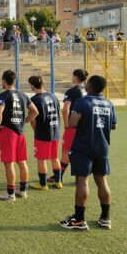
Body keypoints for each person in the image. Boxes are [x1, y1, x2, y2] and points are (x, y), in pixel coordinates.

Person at [60, 75, 116, 230]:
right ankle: (105, 218)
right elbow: (113, 126)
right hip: (102, 148)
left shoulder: (83, 102)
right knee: (102, 181)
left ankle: (79, 219)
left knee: (82, 182)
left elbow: (72, 123)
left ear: (90, 85)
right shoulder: (108, 103)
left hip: (84, 148)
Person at [0, 70, 39, 201]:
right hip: (20, 132)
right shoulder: (23, 95)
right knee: (22, 162)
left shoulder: (3, 95)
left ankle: (10, 194)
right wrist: (23, 121)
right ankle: (23, 191)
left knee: (9, 164)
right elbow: (35, 112)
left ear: (4, 81)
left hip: (8, 132)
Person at [28, 76, 62, 191]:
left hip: (43, 133)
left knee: (41, 159)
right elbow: (58, 112)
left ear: (32, 85)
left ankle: (43, 184)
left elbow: (32, 118)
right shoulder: (53, 95)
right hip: (55, 131)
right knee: (54, 157)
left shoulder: (35, 99)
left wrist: (35, 130)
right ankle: (58, 181)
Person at [58, 69, 89, 184]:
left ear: (75, 77)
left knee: (66, 151)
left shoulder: (72, 91)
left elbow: (66, 109)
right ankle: (81, 177)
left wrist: (66, 124)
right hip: (85, 127)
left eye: (72, 75)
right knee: (82, 152)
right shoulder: (87, 90)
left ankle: (59, 176)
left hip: (73, 126)